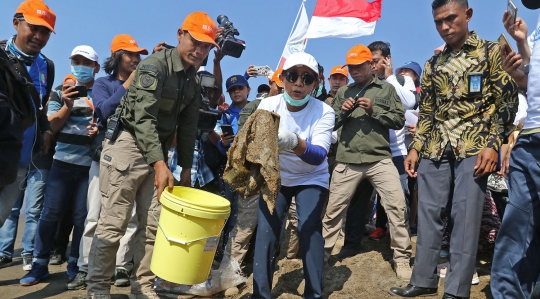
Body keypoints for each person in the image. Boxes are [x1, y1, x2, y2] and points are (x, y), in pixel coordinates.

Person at [389, 0, 518, 298]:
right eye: (438, 22)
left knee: (465, 216)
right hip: (436, 146)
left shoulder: (491, 52)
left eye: (450, 19)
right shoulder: (434, 64)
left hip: (474, 145)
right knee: (428, 214)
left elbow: (506, 103)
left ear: (468, 15)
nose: (444, 27)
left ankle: (457, 291)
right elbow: (429, 112)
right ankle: (423, 280)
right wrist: (415, 148)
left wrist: (493, 144)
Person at [85, 11, 216, 299]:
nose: (200, 50)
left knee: (153, 227)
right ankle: (97, 291)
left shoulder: (193, 81)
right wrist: (160, 163)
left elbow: (189, 126)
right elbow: (142, 119)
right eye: (196, 41)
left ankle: (143, 287)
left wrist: (183, 169)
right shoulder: (154, 66)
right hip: (128, 147)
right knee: (113, 223)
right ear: (180, 34)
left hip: (159, 152)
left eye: (207, 46)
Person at [322, 44, 412, 280]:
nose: (353, 71)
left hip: (379, 159)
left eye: (358, 66)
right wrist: (342, 112)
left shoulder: (386, 90)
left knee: (396, 206)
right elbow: (328, 126)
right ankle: (321, 256)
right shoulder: (343, 93)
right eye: (350, 67)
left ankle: (402, 259)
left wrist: (374, 112)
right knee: (333, 212)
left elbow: (399, 121)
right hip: (347, 159)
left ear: (371, 65)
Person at [67, 34, 150, 290]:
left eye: (138, 55)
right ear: (116, 57)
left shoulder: (145, 86)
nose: (135, 59)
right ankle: (86, 268)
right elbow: (102, 110)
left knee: (131, 219)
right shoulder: (105, 83)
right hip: (103, 158)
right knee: (95, 217)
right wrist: (129, 85)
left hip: (134, 160)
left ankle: (121, 267)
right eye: (130, 54)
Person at [251, 51, 334, 299]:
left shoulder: (324, 112)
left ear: (316, 84)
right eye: (293, 76)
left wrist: (293, 141)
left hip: (311, 176)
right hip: (276, 174)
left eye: (307, 78)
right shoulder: (268, 105)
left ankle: (314, 293)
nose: (299, 83)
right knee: (266, 230)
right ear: (283, 78)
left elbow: (318, 155)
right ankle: (261, 294)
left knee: (309, 229)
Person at [20, 45, 100, 286]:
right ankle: (39, 264)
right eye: (76, 61)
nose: (80, 66)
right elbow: (51, 126)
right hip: (61, 164)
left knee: (81, 218)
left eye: (85, 63)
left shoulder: (102, 93)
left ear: (96, 67)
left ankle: (75, 264)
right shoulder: (59, 91)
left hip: (89, 169)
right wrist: (66, 104)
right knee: (49, 215)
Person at [490, 1, 540, 297]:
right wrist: (521, 48)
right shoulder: (534, 31)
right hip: (530, 135)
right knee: (516, 224)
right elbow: (532, 81)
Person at [0, 0, 55, 227]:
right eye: (33, 28)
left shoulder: (47, 66)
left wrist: (45, 128)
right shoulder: (1, 57)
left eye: (45, 32)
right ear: (16, 23)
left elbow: (39, 106)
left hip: (21, 160)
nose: (39, 36)